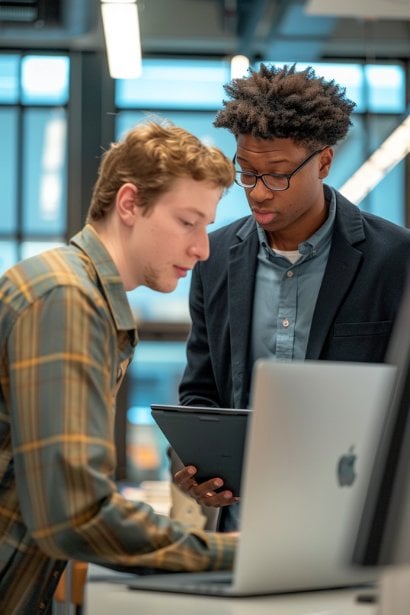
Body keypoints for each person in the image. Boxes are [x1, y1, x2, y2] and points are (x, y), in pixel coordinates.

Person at [0, 120, 238, 613]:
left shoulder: (72, 289)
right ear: (129, 204)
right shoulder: (66, 297)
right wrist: (235, 555)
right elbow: (76, 513)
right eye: (188, 222)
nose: (202, 248)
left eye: (207, 227)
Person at [173, 63, 410, 532]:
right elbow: (202, 391)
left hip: (358, 526)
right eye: (247, 172)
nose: (258, 193)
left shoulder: (395, 259)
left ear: (323, 162)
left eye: (277, 175)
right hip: (243, 523)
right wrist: (194, 462)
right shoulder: (213, 256)